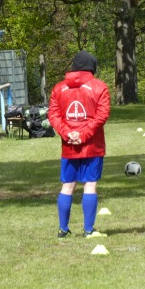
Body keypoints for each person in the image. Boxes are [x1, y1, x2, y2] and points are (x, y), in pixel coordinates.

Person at [48, 51, 110, 239]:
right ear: (92, 67)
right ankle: (88, 230)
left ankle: (62, 229)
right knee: (90, 185)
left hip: (69, 146)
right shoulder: (100, 87)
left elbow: (53, 115)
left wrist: (68, 134)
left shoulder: (58, 88)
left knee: (67, 186)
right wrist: (83, 135)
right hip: (92, 145)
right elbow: (102, 115)